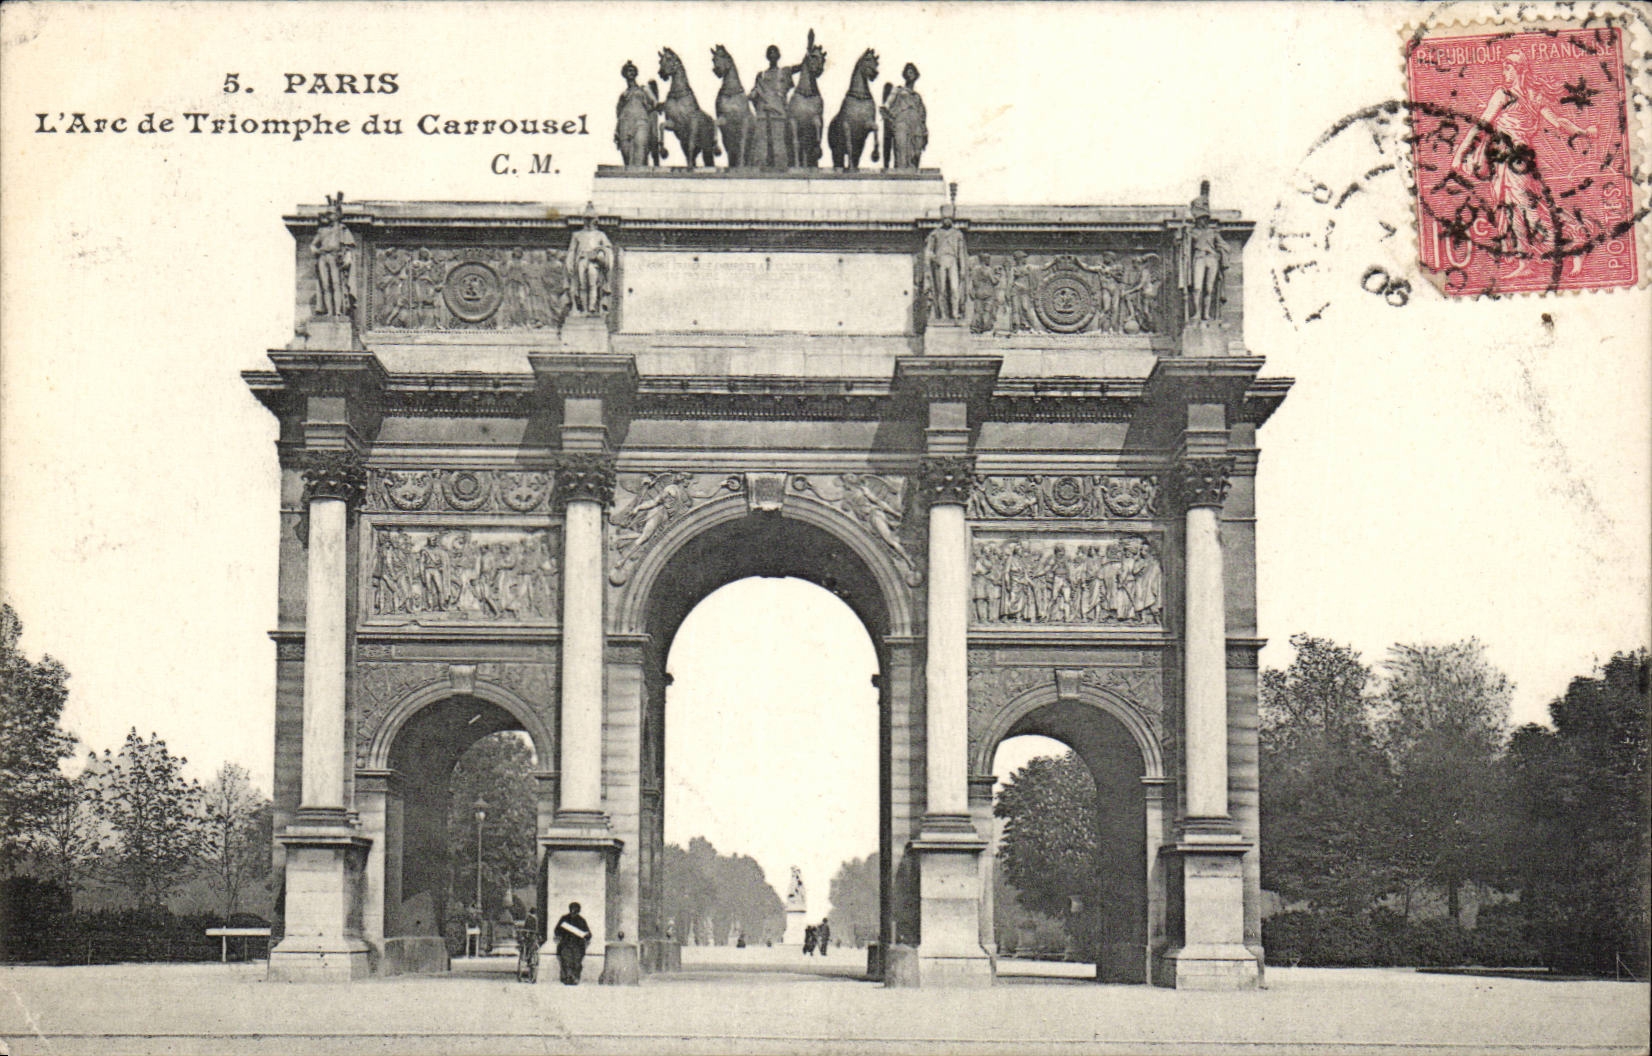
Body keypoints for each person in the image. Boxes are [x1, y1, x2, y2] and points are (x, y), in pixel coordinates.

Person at [553, 901, 591, 985]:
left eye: (575, 910)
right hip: (566, 944)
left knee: (576, 962)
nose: (573, 912)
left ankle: (574, 977)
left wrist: (585, 935)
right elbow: (557, 930)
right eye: (572, 909)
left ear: (578, 911)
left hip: (577, 945)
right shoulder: (564, 919)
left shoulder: (581, 920)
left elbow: (588, 934)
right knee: (566, 961)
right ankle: (568, 977)